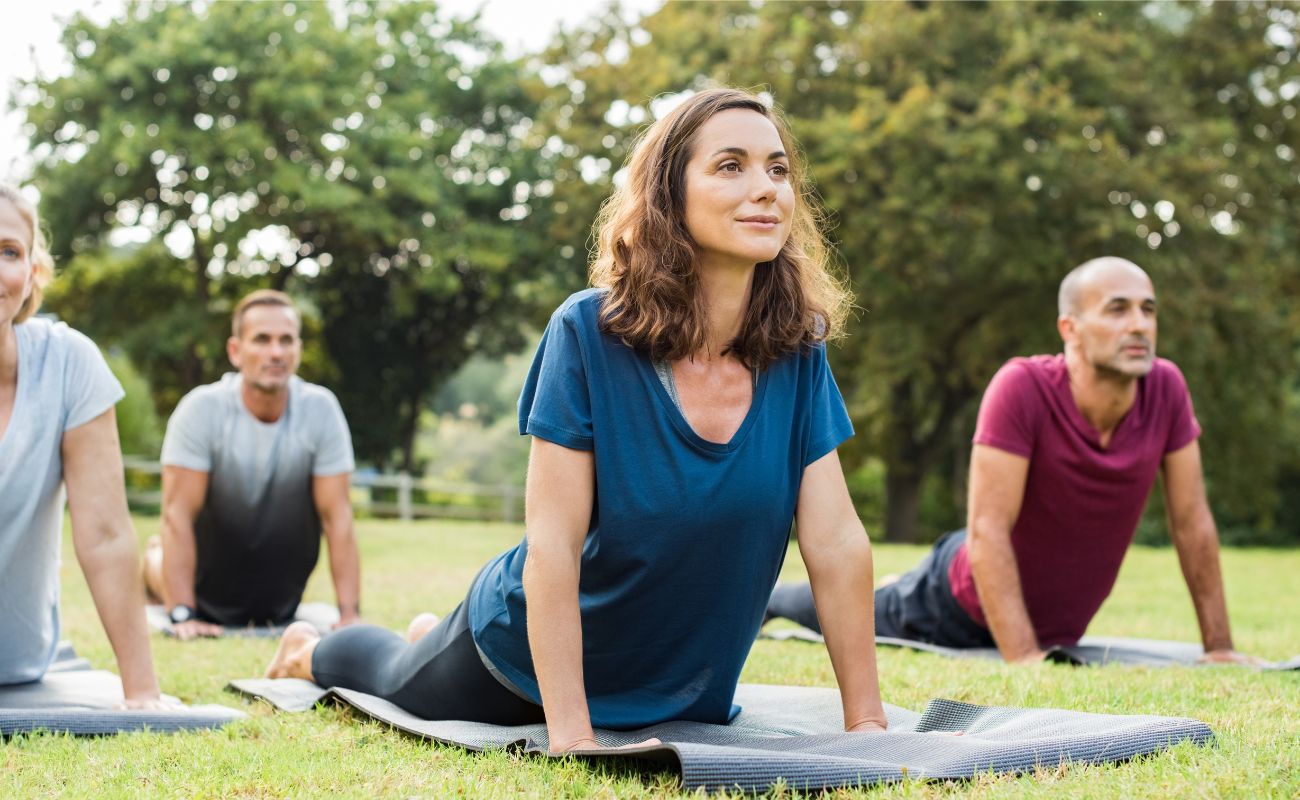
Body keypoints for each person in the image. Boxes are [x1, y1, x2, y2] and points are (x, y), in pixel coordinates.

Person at [266, 87, 888, 752]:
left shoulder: (796, 352)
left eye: (778, 169)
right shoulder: (588, 333)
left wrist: (868, 724)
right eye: (730, 166)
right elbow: (553, 547)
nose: (765, 188)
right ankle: (307, 650)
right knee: (390, 674)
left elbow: (836, 543)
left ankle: (424, 630)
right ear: (669, 195)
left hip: (677, 685)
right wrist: (570, 734)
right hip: (519, 667)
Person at [767, 257, 1258, 665]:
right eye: (1117, 309)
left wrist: (1219, 648)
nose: (1139, 324)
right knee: (849, 609)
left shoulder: (1166, 389)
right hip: (955, 603)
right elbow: (987, 531)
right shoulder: (1022, 387)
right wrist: (1025, 657)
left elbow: (1193, 522)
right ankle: (772, 600)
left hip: (1047, 617)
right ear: (1071, 327)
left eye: (1148, 310)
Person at [0, 183, 167, 706]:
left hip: (16, 661)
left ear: (31, 274)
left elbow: (106, 534)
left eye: (8, 252)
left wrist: (142, 692)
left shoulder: (69, 363)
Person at [143, 289, 361, 639]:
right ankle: (154, 561)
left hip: (277, 598)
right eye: (261, 339)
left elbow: (338, 516)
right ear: (235, 351)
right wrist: (183, 613)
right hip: (204, 585)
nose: (275, 352)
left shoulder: (321, 410)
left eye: (286, 340)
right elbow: (177, 514)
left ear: (298, 350)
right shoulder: (200, 410)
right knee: (160, 557)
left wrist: (349, 614)